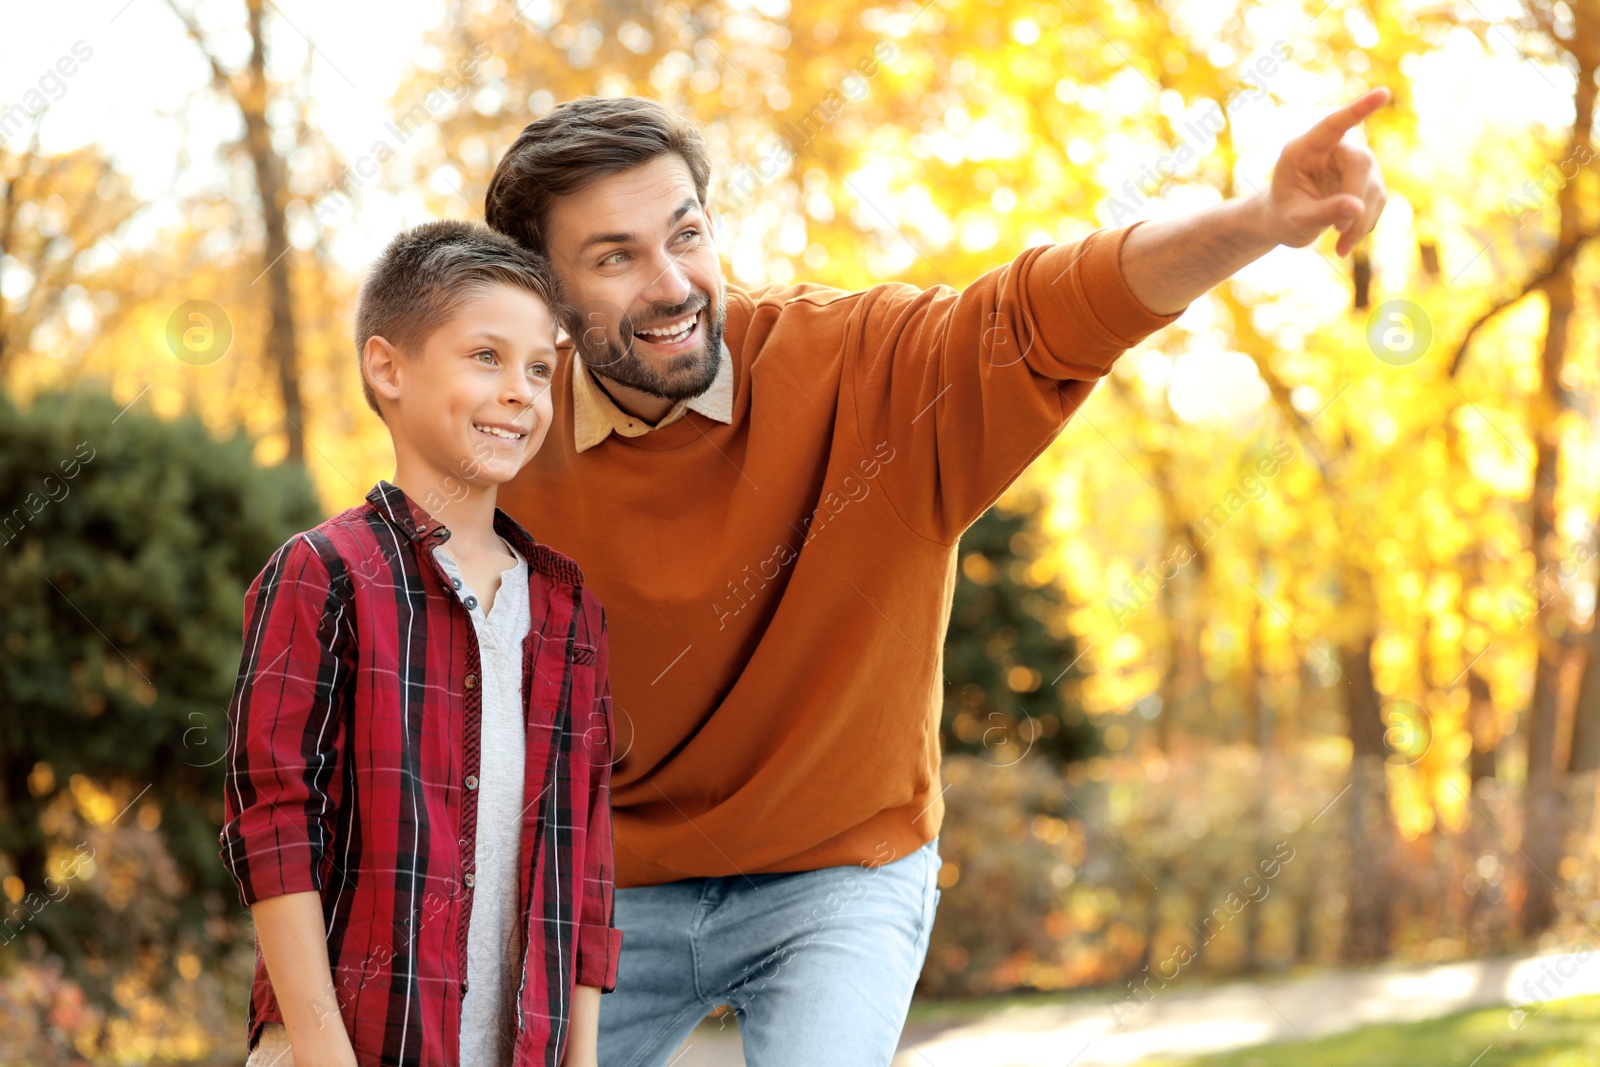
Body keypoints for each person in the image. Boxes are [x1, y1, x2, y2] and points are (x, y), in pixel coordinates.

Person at [483, 89, 1388, 1067]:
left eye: (686, 233)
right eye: (615, 256)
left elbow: (1055, 307)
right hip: (610, 886)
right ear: (540, 293)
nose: (672, 284)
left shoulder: (862, 371)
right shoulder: (500, 447)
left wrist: (1258, 219)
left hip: (836, 866)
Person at [219, 220, 622, 1067]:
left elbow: (584, 862)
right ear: (388, 367)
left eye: (540, 369)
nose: (521, 391)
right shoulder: (323, 574)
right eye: (486, 356)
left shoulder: (568, 608)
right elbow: (276, 834)